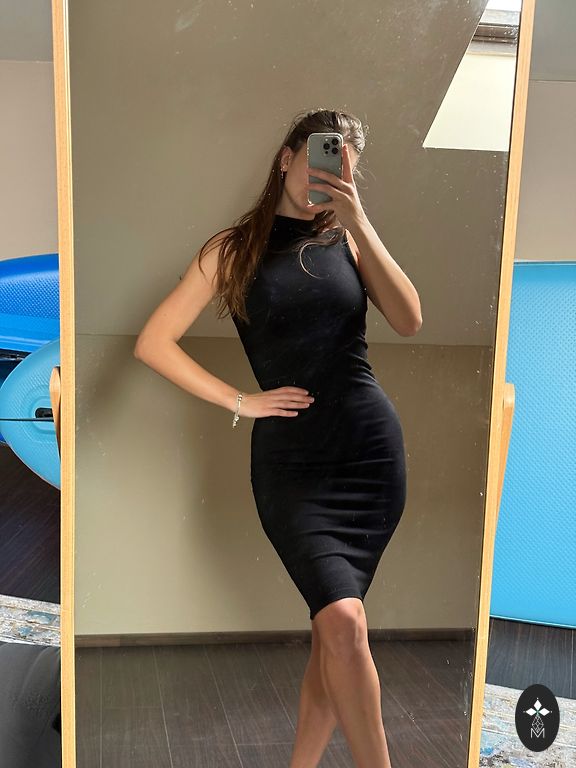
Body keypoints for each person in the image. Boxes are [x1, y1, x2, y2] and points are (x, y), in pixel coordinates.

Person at [134, 108, 422, 768]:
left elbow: (409, 318)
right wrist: (241, 400)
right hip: (292, 464)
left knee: (335, 629)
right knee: (342, 621)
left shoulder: (348, 242)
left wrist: (359, 221)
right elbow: (153, 343)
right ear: (287, 158)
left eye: (343, 168)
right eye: (318, 161)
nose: (327, 177)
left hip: (369, 451)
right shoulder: (232, 249)